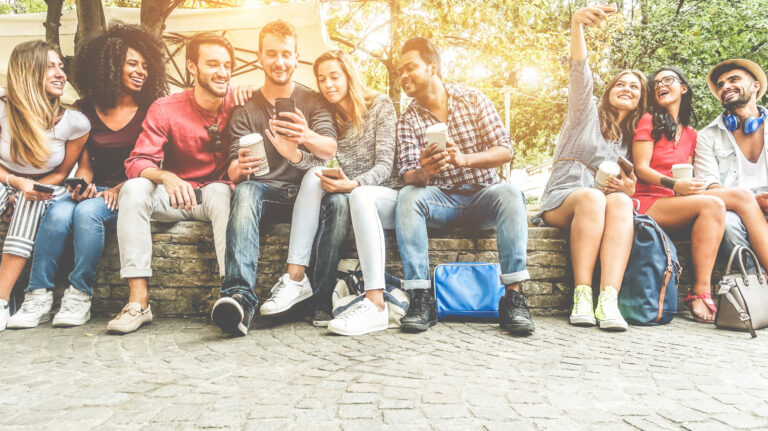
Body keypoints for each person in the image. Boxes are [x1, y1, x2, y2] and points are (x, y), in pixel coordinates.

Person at [5, 23, 167, 329]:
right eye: (132, 64)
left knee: (86, 213)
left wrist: (119, 188)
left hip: (133, 191)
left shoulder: (153, 109)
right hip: (95, 190)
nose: (141, 71)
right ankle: (37, 296)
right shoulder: (84, 109)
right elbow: (85, 163)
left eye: (145, 66)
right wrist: (82, 185)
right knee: (57, 212)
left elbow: (156, 162)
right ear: (110, 65)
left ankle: (79, 294)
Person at [394, 37, 531, 335]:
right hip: (440, 200)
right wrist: (425, 171)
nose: (403, 75)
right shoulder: (408, 119)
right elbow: (407, 175)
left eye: (410, 67)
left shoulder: (472, 98)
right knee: (408, 196)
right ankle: (420, 297)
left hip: (483, 195)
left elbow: (505, 150)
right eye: (400, 71)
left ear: (432, 67)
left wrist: (464, 159)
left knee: (510, 193)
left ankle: (514, 298)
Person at [211, 20, 337, 337]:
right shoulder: (245, 108)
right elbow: (232, 170)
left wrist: (304, 135)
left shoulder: (314, 101)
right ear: (260, 57)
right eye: (271, 54)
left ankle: (319, 298)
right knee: (246, 190)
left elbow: (330, 147)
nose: (279, 62)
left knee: (333, 196)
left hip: (311, 195)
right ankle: (239, 299)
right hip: (268, 194)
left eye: (285, 54)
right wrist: (240, 167)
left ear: (296, 58)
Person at [112, 32, 237, 334]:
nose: (222, 72)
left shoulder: (239, 100)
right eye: (212, 64)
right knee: (134, 188)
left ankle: (233, 297)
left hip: (216, 196)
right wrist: (166, 176)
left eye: (226, 65)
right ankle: (138, 302)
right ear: (192, 67)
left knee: (220, 191)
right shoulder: (165, 107)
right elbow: (137, 161)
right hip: (176, 197)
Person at [531, 5, 647, 331]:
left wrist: (627, 189)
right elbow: (579, 70)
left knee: (622, 202)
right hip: (564, 199)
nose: (626, 88)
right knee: (593, 198)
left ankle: (608, 299)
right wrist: (577, 25)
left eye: (634, 87)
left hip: (601, 205)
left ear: (640, 100)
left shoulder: (631, 140)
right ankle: (582, 295)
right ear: (609, 91)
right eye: (620, 84)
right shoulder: (585, 113)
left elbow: (630, 185)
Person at [295, 49, 402, 335]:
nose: (328, 84)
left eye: (334, 76)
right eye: (322, 79)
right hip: (351, 197)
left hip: (385, 197)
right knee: (327, 189)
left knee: (355, 196)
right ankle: (304, 286)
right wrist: (295, 154)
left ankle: (375, 304)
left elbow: (385, 166)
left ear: (348, 75)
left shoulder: (380, 105)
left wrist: (354, 184)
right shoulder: (329, 117)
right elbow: (320, 162)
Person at [0, 40, 90, 331]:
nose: (60, 73)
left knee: (32, 199)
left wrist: (26, 189)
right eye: (50, 66)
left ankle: (2, 299)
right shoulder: (2, 108)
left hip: (48, 186)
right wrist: (16, 183)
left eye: (61, 66)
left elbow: (62, 172)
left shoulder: (74, 122)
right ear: (27, 70)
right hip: (5, 179)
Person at [632, 67, 726, 323]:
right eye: (655, 83)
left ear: (684, 88)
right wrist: (674, 184)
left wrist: (688, 187)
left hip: (675, 201)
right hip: (647, 201)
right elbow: (641, 168)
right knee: (714, 205)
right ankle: (700, 292)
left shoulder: (692, 134)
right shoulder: (649, 119)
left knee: (730, 201)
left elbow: (688, 171)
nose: (660, 85)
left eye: (667, 80)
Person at [695, 59, 768, 271]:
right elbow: (709, 186)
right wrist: (751, 202)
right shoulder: (707, 135)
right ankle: (755, 278)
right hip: (735, 208)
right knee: (726, 223)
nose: (725, 87)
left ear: (755, 86)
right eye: (721, 85)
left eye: (733, 80)